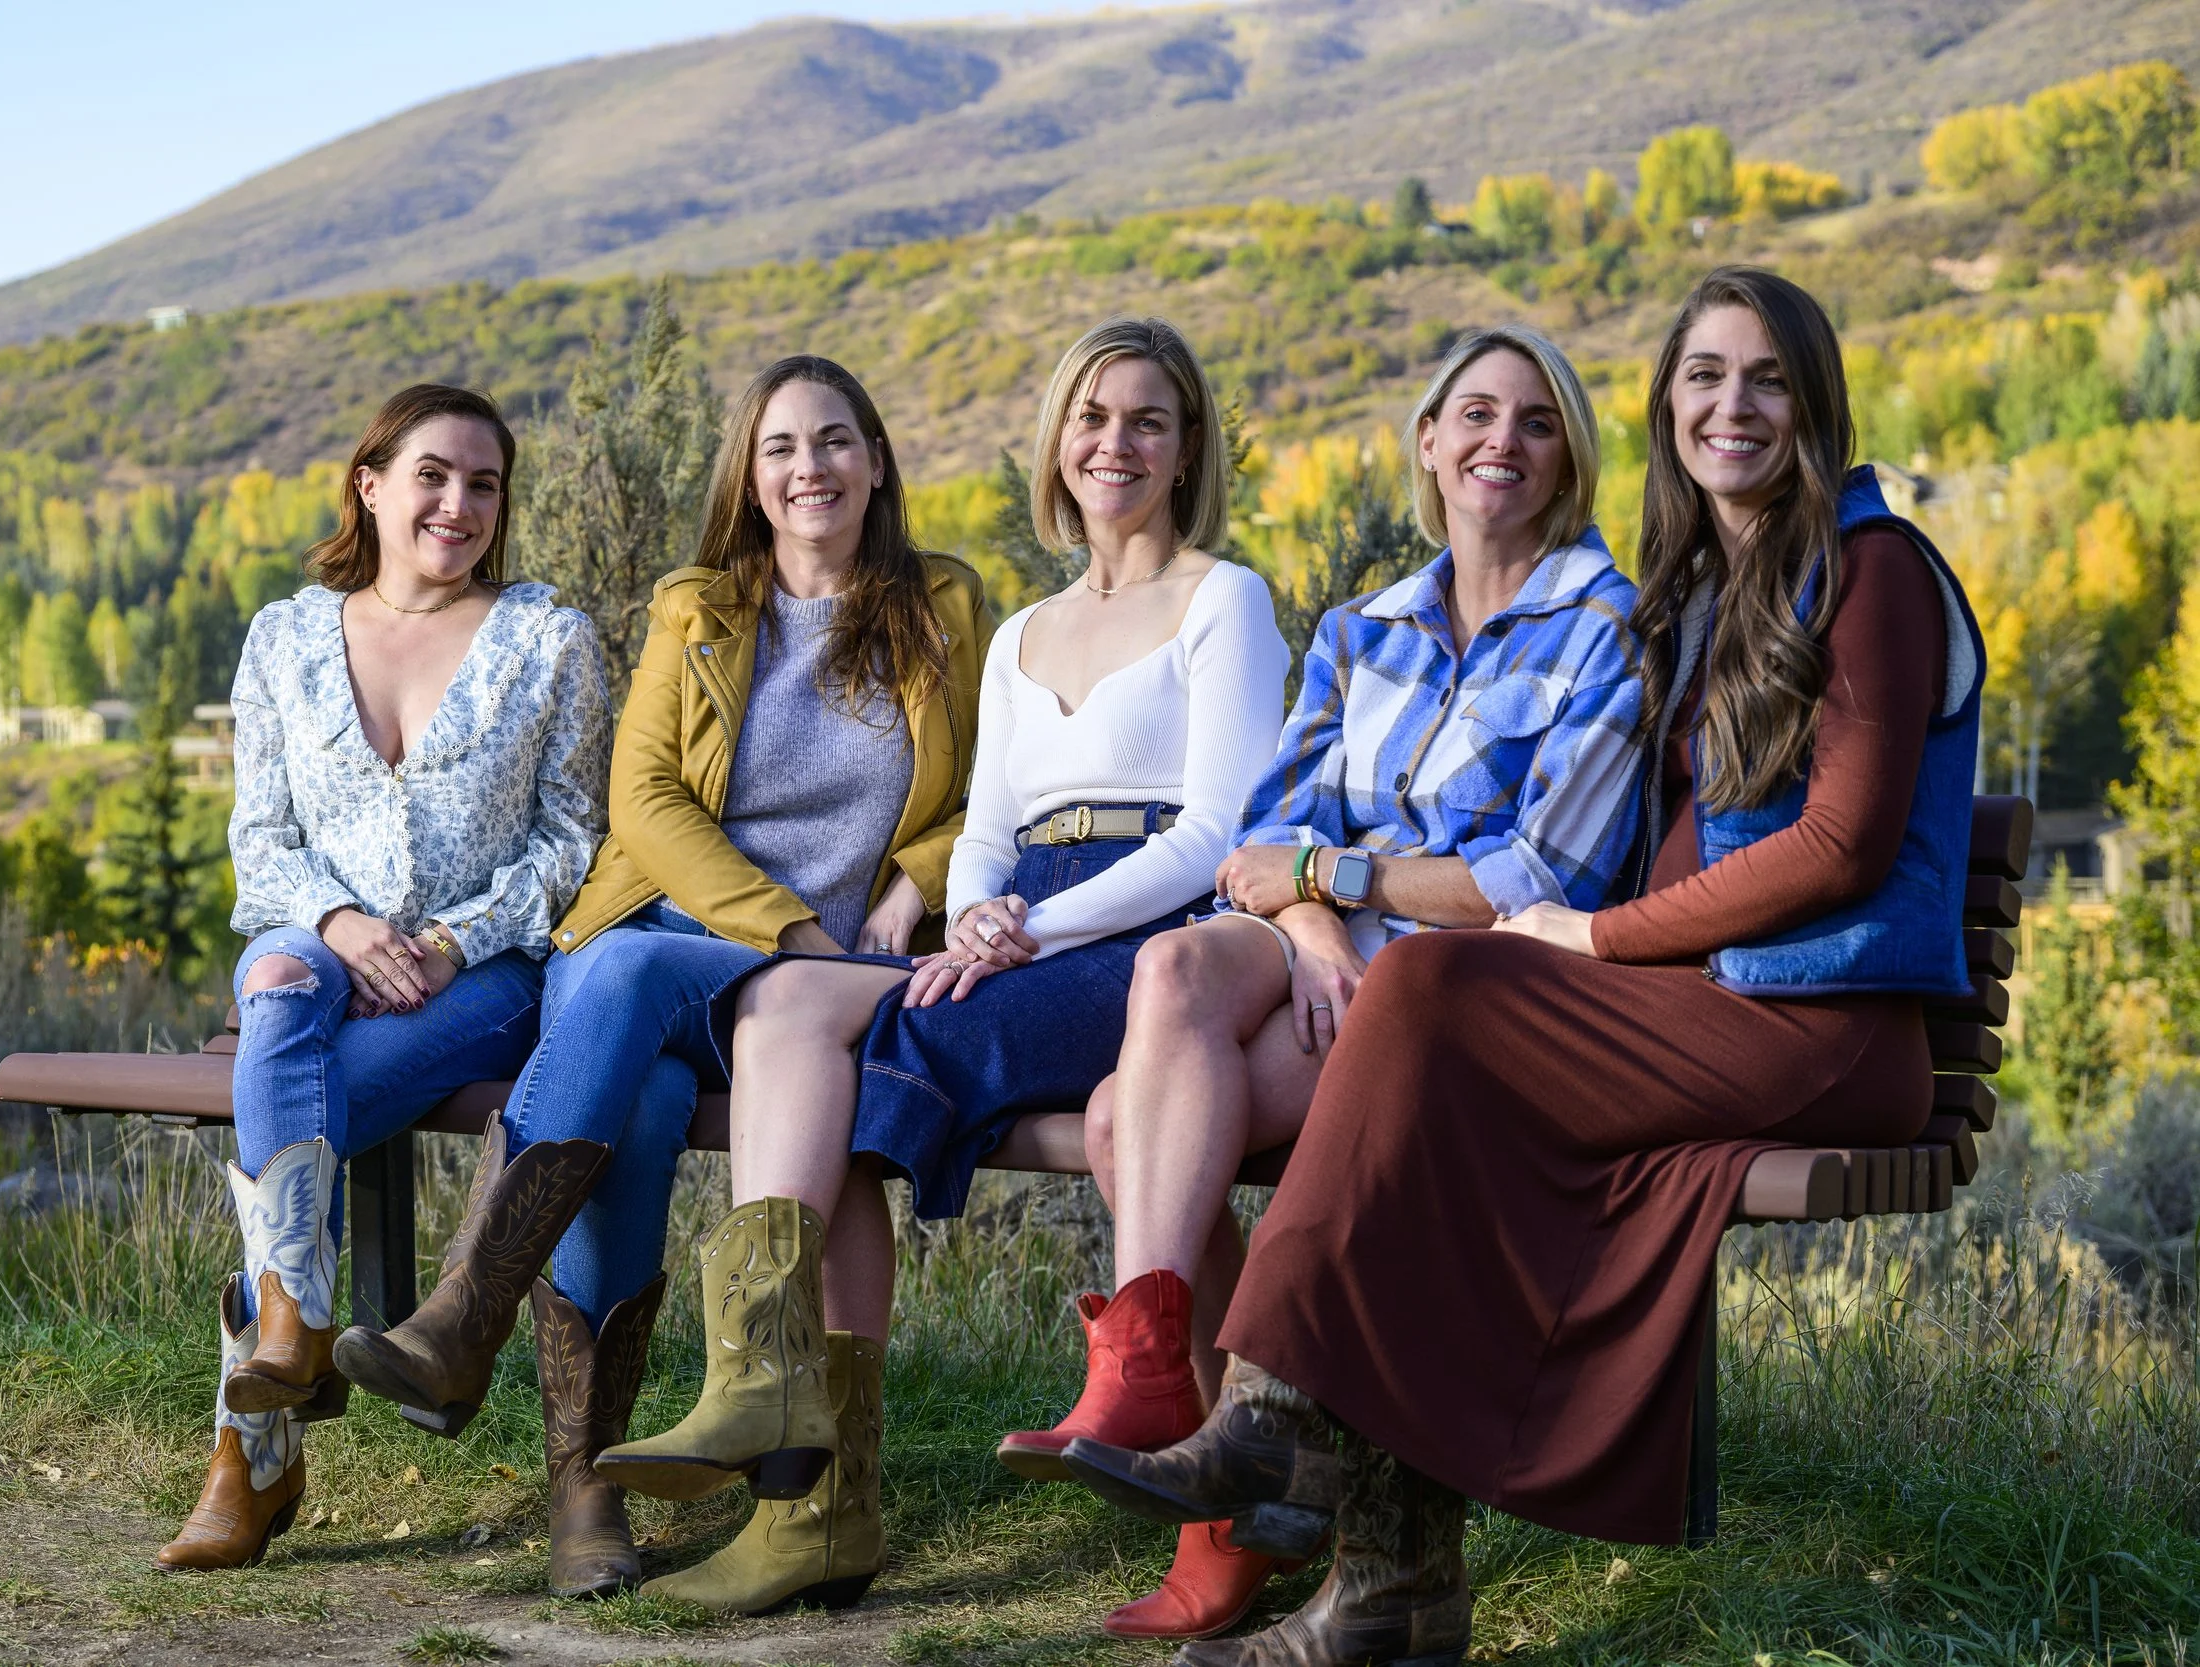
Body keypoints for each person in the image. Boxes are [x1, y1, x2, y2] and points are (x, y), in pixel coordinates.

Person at [1062, 266, 1986, 1667]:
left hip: (1832, 1028)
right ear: (1668, 403)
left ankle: (1274, 1413)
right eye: (1703, 377)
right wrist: (1345, 905)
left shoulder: (1879, 572)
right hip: (1724, 1003)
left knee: (1438, 987)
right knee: (1437, 1068)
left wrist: (1595, 938)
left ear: (1815, 402)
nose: (1730, 406)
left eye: (1766, 379)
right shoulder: (1720, 592)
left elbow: (1844, 848)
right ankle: (1386, 1591)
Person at [595, 316, 1290, 1615]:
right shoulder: (1023, 628)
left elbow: (1216, 832)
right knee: (795, 998)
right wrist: (976, 913)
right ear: (1056, 445)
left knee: (870, 1067)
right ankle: (768, 1394)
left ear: (1188, 441)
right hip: (1021, 923)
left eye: (1147, 418)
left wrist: (1035, 930)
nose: (1115, 443)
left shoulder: (1222, 596)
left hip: (1161, 929)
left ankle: (1219, 1501)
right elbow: (982, 829)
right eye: (1091, 418)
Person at [1020, 326, 1647, 1642]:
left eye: (1535, 421)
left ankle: (1231, 1490)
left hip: (1467, 991)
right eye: (1473, 413)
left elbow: (1525, 877)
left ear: (1569, 456)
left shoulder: (1607, 628)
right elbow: (1264, 836)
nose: (1500, 441)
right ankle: (1171, 1401)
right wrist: (1315, 922)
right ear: (1428, 442)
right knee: (1181, 958)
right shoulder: (1369, 625)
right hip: (1327, 956)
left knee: (1122, 1121)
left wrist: (1332, 880)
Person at [331, 356, 987, 1600]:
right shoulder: (698, 604)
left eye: (835, 441)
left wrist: (903, 889)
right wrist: (786, 925)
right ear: (751, 470)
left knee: (621, 981)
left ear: (878, 460)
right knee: (627, 1086)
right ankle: (590, 1492)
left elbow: (982, 794)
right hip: (675, 937)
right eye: (782, 446)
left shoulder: (940, 605)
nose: (811, 468)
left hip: (807, 985)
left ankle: (467, 1320)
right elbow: (643, 799)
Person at [157, 384, 609, 1572]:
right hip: (317, 944)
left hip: (486, 973)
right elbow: (261, 839)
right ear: (371, 483)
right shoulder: (287, 637)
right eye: (433, 474)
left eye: (484, 482)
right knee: (282, 984)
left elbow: (571, 837)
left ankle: (252, 1446)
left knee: (280, 1078)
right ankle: (292, 1336)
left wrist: (455, 940)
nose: (459, 503)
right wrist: (346, 924)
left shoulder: (547, 637)